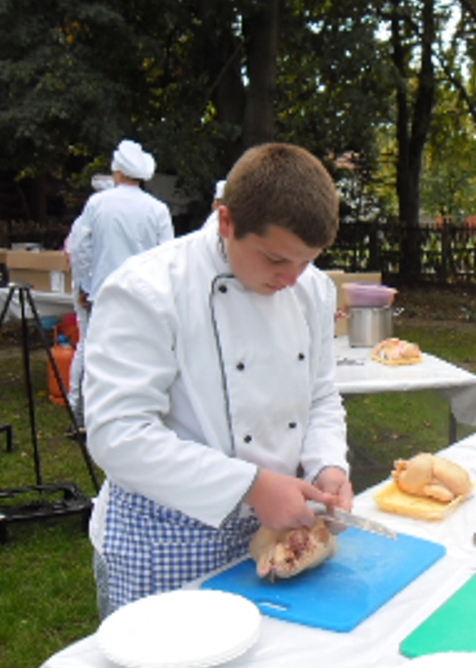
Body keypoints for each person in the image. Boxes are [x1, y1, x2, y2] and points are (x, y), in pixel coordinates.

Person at [83, 142, 353, 619]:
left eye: (307, 260)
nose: (292, 278)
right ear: (226, 221)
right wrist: (252, 486)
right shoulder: (147, 289)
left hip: (275, 530)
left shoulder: (312, 289)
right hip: (167, 538)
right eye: (275, 259)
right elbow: (118, 435)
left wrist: (327, 466)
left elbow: (320, 395)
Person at [66, 141, 173, 426]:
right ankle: (136, 409)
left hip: (103, 291)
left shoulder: (98, 204)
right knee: (141, 352)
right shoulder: (157, 209)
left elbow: (80, 247)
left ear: (118, 172)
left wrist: (85, 285)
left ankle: (82, 411)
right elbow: (167, 257)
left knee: (93, 349)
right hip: (144, 295)